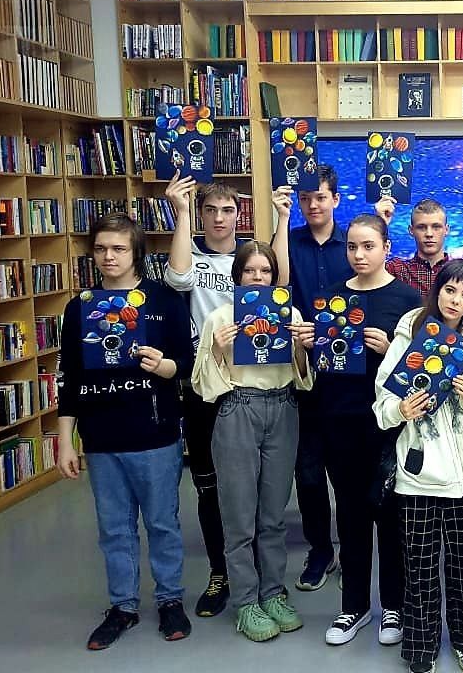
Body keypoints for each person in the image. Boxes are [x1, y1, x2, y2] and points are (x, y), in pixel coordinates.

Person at [57, 213, 194, 650]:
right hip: (101, 437)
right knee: (114, 528)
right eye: (100, 249)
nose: (109, 257)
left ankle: (170, 599)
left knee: (162, 523)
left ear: (136, 252)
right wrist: (65, 439)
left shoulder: (163, 299)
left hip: (154, 431)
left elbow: (188, 362)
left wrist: (165, 366)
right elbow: (70, 377)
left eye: (118, 248)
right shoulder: (79, 307)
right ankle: (123, 606)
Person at [163, 174, 292, 617]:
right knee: (212, 487)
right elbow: (178, 278)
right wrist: (181, 212)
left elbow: (279, 282)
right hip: (211, 383)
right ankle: (224, 574)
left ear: (240, 215)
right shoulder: (192, 256)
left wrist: (282, 218)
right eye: (211, 210)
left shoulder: (255, 261)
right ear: (201, 215)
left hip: (260, 388)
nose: (219, 218)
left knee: (264, 496)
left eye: (228, 210)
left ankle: (265, 582)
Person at [374, 260, 463, 673]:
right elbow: (382, 402)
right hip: (418, 473)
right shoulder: (410, 333)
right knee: (420, 564)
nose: (456, 300)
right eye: (450, 290)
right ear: (437, 289)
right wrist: (401, 410)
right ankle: (422, 644)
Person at [191, 241, 315, 642]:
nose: (258, 278)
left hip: (283, 408)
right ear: (237, 275)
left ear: (274, 277)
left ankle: (273, 592)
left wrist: (301, 347)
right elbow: (203, 385)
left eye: (265, 271)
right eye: (250, 271)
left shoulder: (289, 314)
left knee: (273, 514)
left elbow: (303, 378)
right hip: (238, 408)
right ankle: (246, 601)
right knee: (239, 514)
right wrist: (218, 349)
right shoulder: (220, 318)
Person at [319, 214, 422, 647]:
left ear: (386, 248)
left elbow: (421, 368)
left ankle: (394, 605)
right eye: (352, 247)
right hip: (341, 419)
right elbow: (325, 364)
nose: (359, 255)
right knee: (350, 515)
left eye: (368, 246)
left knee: (392, 516)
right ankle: (354, 606)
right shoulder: (333, 296)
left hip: (388, 425)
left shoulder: (408, 299)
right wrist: (312, 346)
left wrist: (391, 350)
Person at [288, 165, 352, 592]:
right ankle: (320, 550)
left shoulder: (352, 244)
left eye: (321, 197)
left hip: (347, 373)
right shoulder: (288, 242)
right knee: (308, 471)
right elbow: (273, 287)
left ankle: (351, 549)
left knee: (346, 473)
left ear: (335, 199)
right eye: (306, 198)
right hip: (301, 371)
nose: (313, 205)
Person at [377, 196, 452, 298]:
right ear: (411, 230)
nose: (429, 234)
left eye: (436, 227)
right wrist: (381, 224)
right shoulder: (396, 270)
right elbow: (365, 277)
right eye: (421, 227)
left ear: (446, 230)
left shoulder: (460, 273)